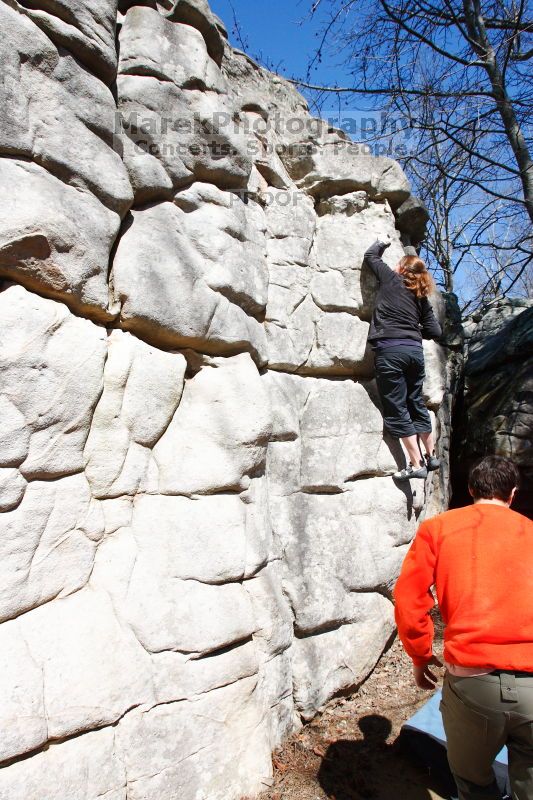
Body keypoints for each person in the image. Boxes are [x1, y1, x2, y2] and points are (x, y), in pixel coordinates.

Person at [394, 455, 533, 800]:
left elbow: (409, 600)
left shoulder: (438, 529)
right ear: (512, 494)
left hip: (473, 681)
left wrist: (420, 655)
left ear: (471, 489)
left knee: (473, 784)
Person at [364, 238, 443, 481]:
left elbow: (371, 257)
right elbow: (436, 332)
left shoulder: (391, 278)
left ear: (402, 269)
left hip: (391, 352)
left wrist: (382, 242)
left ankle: (415, 463)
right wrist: (415, 328)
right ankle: (431, 456)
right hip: (414, 354)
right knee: (415, 402)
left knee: (397, 407)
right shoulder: (421, 298)